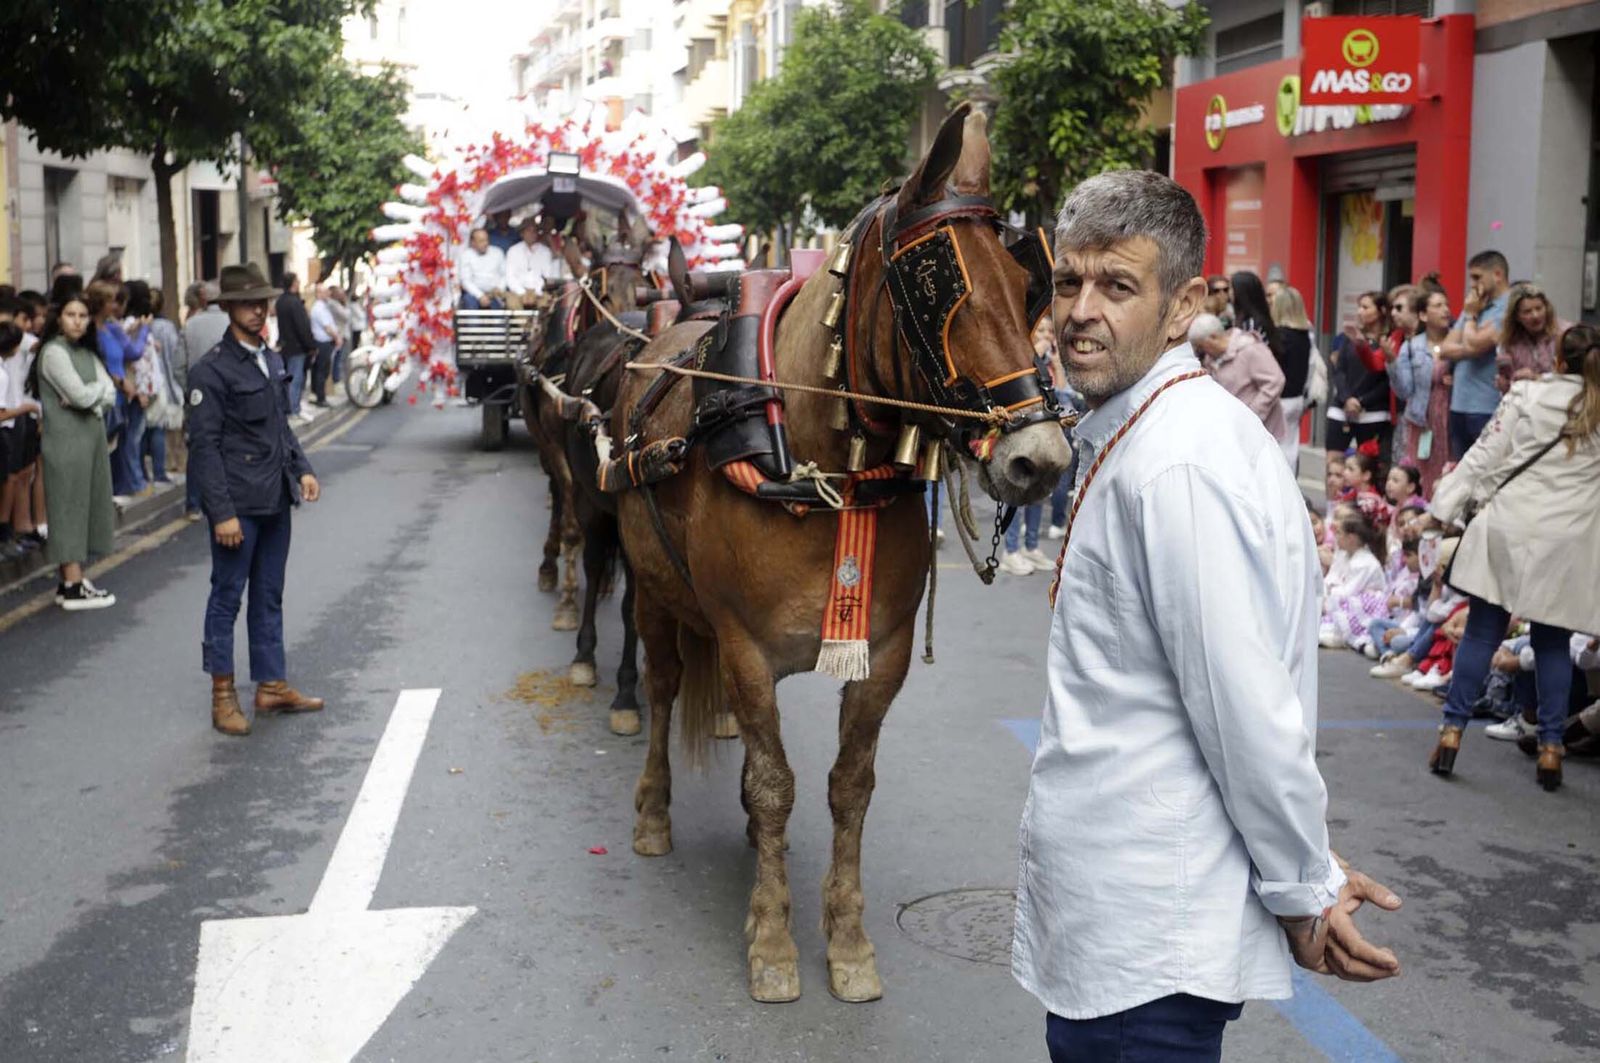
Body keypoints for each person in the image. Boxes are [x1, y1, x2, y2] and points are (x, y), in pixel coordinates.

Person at [1012, 170, 1400, 1063]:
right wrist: (1311, 874)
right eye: (1069, 282)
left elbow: (1242, 707)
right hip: (1125, 927)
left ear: (1185, 301)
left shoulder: (1178, 459)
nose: (1080, 311)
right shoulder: (1148, 428)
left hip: (1147, 943)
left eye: (1117, 285)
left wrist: (1307, 885)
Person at [1427, 323, 1600, 790]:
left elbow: (1484, 455)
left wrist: (1441, 509)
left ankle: (1451, 732)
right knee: (1551, 642)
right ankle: (1550, 748)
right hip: (1566, 539)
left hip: (1508, 524)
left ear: (1557, 359)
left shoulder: (1526, 395)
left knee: (1482, 631)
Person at [187, 263, 325, 736]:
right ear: (226, 308)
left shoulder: (271, 359)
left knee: (269, 593)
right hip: (238, 506)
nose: (259, 310)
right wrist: (221, 513)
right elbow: (204, 449)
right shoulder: (211, 371)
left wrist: (302, 470)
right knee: (227, 596)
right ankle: (222, 695)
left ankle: (271, 684)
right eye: (248, 303)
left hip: (275, 497)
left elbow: (280, 428)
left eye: (262, 302)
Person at [34, 293, 118, 609]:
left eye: (82, 315)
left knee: (83, 506)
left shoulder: (84, 351)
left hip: (88, 440)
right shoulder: (54, 352)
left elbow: (107, 393)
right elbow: (85, 397)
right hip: (66, 442)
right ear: (59, 318)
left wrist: (90, 397)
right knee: (68, 507)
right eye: (71, 314)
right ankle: (72, 585)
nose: (77, 321)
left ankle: (71, 579)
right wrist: (92, 397)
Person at [1440, 250, 1511, 459]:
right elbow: (1445, 348)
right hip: (1459, 404)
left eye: (1477, 277)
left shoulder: (1508, 308)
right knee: (1459, 472)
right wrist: (1471, 347)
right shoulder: (1475, 303)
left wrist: (1471, 320)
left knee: (1485, 472)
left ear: (1497, 274)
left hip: (1487, 405)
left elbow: (1475, 344)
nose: (1472, 284)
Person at [88, 280, 149, 500]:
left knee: (117, 446)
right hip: (106, 394)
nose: (115, 305)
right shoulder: (91, 331)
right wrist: (121, 382)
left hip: (119, 397)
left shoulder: (111, 327)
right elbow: (99, 362)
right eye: (111, 300)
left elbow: (130, 353)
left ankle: (116, 489)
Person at [1387, 289, 1451, 494]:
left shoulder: (1458, 342)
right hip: (1422, 422)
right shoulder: (1412, 346)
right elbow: (1404, 391)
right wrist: (1391, 363)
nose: (1445, 310)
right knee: (1421, 473)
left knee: (1448, 472)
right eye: (1438, 306)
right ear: (1423, 315)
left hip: (1451, 419)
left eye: (1446, 305)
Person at [1188, 312, 1288, 441]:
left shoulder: (1250, 349)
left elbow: (1275, 381)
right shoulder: (1211, 359)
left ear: (1213, 337)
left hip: (1264, 433)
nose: (1201, 352)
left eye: (1201, 346)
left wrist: (1252, 414)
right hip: (1236, 432)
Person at [181, 281, 229, 520]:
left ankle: (193, 505)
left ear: (203, 301)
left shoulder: (190, 325)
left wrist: (185, 395)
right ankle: (223, 501)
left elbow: (179, 366)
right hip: (227, 394)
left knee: (198, 447)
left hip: (197, 396)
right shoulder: (231, 323)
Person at [1326, 290, 1393, 459]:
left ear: (1381, 311)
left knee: (1367, 465)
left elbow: (1386, 380)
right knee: (1333, 462)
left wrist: (1361, 402)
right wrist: (1347, 398)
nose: (1359, 312)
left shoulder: (1389, 341)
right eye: (1358, 307)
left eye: (1365, 307)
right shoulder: (1351, 337)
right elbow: (1339, 369)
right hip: (1342, 408)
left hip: (1372, 412)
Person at [140, 287, 186, 484]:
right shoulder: (166, 327)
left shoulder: (140, 326)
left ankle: (144, 471)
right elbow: (174, 356)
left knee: (144, 430)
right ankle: (164, 467)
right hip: (163, 383)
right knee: (162, 428)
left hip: (143, 384)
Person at [1270, 285, 1315, 472]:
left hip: (1280, 399)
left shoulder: (1279, 336)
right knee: (1291, 446)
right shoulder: (1306, 335)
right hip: (1297, 398)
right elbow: (1311, 367)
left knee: (1275, 447)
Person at [1497, 282, 1566, 392]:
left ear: (1547, 308)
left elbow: (1575, 380)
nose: (1535, 316)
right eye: (1527, 312)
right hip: (1524, 404)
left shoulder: (1564, 334)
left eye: (1539, 308)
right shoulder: (1509, 341)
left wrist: (1536, 378)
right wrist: (1506, 383)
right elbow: (1508, 386)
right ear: (1517, 316)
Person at [274, 273, 317, 422]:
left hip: (284, 346)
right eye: (297, 281)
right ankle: (294, 409)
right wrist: (311, 345)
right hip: (297, 347)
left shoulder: (280, 301)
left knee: (287, 379)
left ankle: (287, 407)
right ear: (293, 283)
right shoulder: (295, 302)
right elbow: (302, 326)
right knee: (296, 379)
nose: (299, 283)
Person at [506, 218, 556, 307]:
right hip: (518, 292)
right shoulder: (513, 250)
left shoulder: (545, 251)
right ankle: (523, 321)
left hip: (539, 292)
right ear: (522, 233)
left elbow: (547, 276)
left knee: (548, 304)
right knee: (512, 303)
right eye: (528, 231)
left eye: (534, 231)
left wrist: (536, 292)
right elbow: (510, 276)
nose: (532, 234)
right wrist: (522, 293)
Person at [458, 227, 509, 310]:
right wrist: (480, 296)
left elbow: (505, 275)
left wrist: (500, 288)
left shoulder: (498, 252)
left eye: (486, 240)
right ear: (473, 243)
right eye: (481, 241)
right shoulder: (466, 255)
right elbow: (465, 281)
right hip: (474, 293)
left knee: (499, 316)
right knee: (469, 301)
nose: (485, 243)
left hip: (495, 292)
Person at [308, 284, 340, 408]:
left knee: (320, 370)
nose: (328, 294)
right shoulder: (319, 309)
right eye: (325, 292)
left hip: (324, 342)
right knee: (322, 370)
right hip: (323, 343)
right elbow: (327, 327)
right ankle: (320, 398)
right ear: (319, 294)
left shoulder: (323, 306)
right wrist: (337, 338)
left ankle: (317, 394)